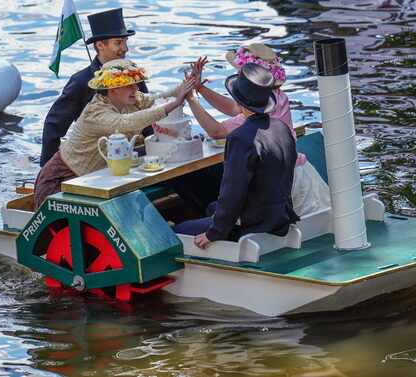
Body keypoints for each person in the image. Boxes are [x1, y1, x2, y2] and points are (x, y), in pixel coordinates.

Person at [187, 44, 330, 216]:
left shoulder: (257, 114)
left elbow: (216, 131)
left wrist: (190, 98)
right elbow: (235, 107)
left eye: (241, 72)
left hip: (280, 183)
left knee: (210, 207)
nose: (238, 75)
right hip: (298, 173)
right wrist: (201, 88)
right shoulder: (275, 97)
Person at [34, 59, 196, 209]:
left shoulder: (133, 99)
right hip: (62, 178)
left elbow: (160, 99)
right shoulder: (95, 112)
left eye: (136, 84)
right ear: (113, 90)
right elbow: (127, 122)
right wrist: (175, 103)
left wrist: (189, 84)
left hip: (95, 179)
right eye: (130, 86)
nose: (137, 89)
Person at [174, 63, 301, 248]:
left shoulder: (241, 138)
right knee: (211, 207)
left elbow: (233, 192)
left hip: (254, 224)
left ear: (239, 102)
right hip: (279, 218)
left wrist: (214, 233)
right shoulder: (281, 128)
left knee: (176, 232)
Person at [39, 8, 149, 167]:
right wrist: (50, 169)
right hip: (96, 160)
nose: (125, 49)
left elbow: (146, 115)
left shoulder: (133, 74)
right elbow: (53, 125)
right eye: (118, 43)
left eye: (125, 42)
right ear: (100, 45)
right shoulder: (81, 81)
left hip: (135, 156)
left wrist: (155, 147)